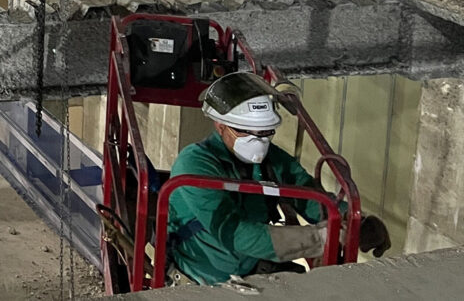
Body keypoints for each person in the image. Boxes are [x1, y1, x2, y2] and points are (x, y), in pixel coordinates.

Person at [167, 72, 391, 285]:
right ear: (220, 125)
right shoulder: (195, 163)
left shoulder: (271, 159)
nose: (258, 141)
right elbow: (234, 233)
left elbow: (309, 197)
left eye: (266, 132)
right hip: (203, 278)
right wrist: (322, 238)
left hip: (250, 266)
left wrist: (354, 220)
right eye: (245, 131)